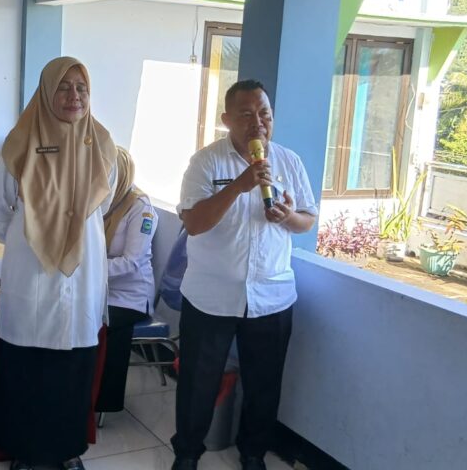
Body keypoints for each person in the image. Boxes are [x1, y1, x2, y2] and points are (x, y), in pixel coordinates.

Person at [170, 79, 318, 470]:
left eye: (264, 113)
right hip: (211, 297)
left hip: (271, 296)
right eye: (247, 114)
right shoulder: (205, 162)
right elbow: (195, 223)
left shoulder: (289, 161)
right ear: (226, 120)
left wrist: (288, 217)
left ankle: (253, 453)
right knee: (198, 384)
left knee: (264, 385)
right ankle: (187, 453)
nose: (258, 123)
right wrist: (238, 186)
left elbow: (307, 220)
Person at [0, 56, 117, 470]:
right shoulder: (20, 142)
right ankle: (24, 453)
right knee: (27, 366)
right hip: (31, 270)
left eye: (81, 87)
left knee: (74, 367)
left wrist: (69, 232)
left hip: (83, 271)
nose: (74, 95)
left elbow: (103, 205)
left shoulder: (103, 144)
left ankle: (67, 449)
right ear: (45, 92)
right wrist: (31, 240)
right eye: (63, 86)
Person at [95, 147, 158, 415]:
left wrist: (92, 269)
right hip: (100, 288)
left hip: (131, 296)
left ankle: (103, 401)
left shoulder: (141, 209)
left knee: (101, 322)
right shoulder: (101, 203)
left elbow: (132, 261)